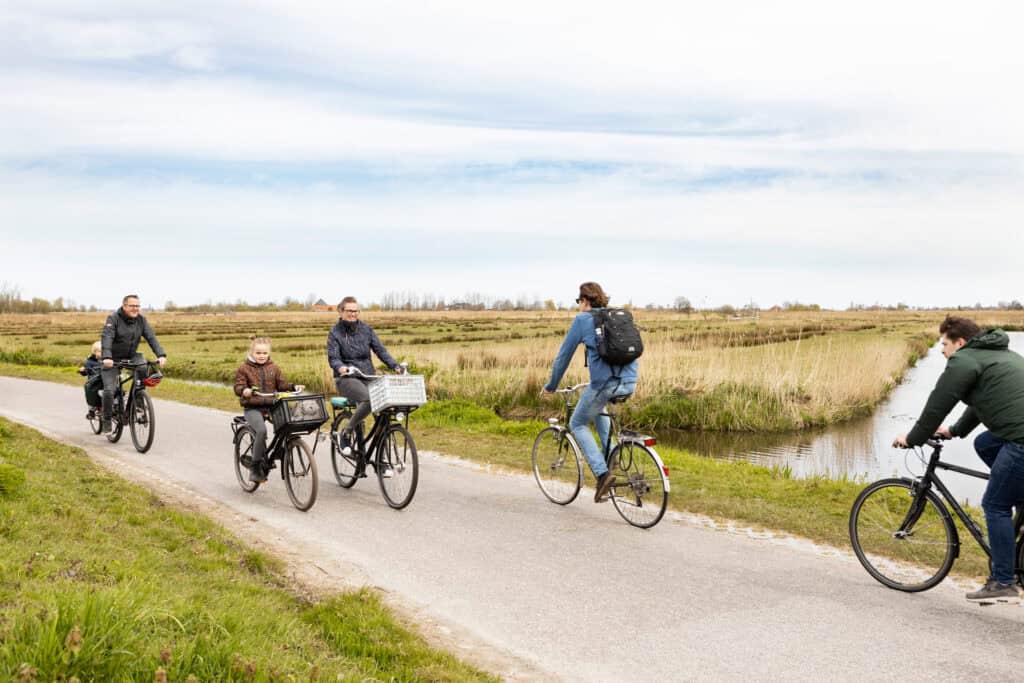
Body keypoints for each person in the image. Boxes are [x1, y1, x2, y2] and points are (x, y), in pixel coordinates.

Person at [894, 316, 1024, 603]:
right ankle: (1020, 499)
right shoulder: (998, 354)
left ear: (960, 342)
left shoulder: (964, 361)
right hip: (1014, 434)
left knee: (995, 504)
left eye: (944, 344)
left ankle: (1004, 582)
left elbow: (937, 404)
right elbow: (982, 401)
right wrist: (955, 431)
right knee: (984, 442)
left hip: (1020, 440)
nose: (942, 350)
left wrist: (912, 438)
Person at [542, 282, 638, 503]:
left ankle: (603, 475)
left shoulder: (582, 320)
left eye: (579, 301)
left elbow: (563, 357)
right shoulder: (618, 316)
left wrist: (552, 385)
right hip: (629, 381)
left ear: (584, 300)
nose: (578, 306)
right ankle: (611, 457)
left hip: (604, 384)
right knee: (598, 408)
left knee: (577, 424)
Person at [326, 296, 402, 444]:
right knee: (368, 399)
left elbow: (380, 350)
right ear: (341, 312)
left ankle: (382, 456)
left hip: (367, 375)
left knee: (386, 406)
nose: (353, 314)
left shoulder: (366, 329)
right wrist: (341, 368)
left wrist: (395, 366)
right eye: (349, 311)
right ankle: (346, 432)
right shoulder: (335, 333)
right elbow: (333, 357)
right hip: (347, 378)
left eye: (356, 311)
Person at [233, 337, 304, 483]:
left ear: (268, 353)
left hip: (272, 406)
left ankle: (277, 453)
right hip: (253, 407)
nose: (261, 356)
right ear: (252, 352)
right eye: (258, 352)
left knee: (287, 426)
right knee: (261, 431)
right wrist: (244, 391)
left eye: (264, 353)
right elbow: (238, 386)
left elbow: (282, 385)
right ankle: (255, 467)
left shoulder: (274, 368)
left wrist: (293, 387)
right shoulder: (244, 368)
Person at [99, 295, 167, 433]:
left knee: (142, 366)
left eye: (137, 306)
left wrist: (160, 354)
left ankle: (139, 400)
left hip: (131, 356)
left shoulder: (141, 320)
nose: (135, 309)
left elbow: (151, 337)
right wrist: (106, 356)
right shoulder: (113, 319)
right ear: (124, 306)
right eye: (132, 306)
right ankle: (106, 420)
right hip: (112, 358)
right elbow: (107, 337)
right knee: (109, 391)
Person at [78, 340, 103, 419]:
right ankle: (91, 410)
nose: (102, 353)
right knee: (90, 391)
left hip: (105, 380)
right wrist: (83, 370)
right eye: (99, 351)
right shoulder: (89, 362)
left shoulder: (105, 360)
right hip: (94, 383)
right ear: (94, 352)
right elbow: (86, 371)